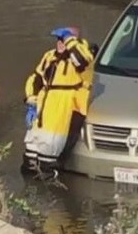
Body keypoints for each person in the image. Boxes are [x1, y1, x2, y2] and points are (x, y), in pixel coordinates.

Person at [21, 26, 96, 176]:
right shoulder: (49, 56)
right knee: (29, 160)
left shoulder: (84, 56)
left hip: (65, 110)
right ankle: (29, 186)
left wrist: (69, 40)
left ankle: (52, 185)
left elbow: (82, 60)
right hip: (43, 108)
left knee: (48, 160)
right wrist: (31, 100)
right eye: (59, 39)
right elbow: (36, 78)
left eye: (64, 39)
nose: (61, 43)